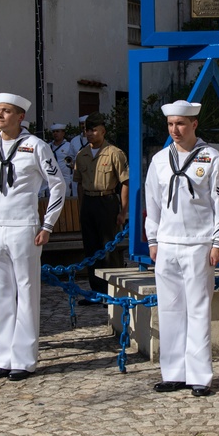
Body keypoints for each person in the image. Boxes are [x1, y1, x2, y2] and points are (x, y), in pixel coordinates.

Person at [145, 100, 219, 397]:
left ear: (194, 124)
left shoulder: (211, 158)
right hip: (168, 244)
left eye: (180, 124)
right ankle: (173, 372)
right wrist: (153, 240)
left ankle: (199, 375)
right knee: (169, 310)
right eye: (170, 125)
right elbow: (152, 204)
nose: (175, 130)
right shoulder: (159, 160)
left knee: (197, 309)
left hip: (198, 243)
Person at [0, 93, 66, 381]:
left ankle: (24, 360)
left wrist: (48, 225)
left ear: (20, 117)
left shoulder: (35, 147)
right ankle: (3, 357)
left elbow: (57, 185)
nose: (0, 115)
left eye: (6, 111)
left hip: (23, 226)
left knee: (26, 293)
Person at [73, 112, 129, 303]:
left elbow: (125, 183)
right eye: (87, 130)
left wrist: (123, 212)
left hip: (107, 202)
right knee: (91, 248)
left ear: (103, 131)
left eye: (93, 130)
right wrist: (82, 207)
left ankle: (111, 293)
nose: (89, 134)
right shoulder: (82, 155)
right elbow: (79, 184)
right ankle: (96, 292)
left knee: (109, 249)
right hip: (89, 202)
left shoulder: (114, 153)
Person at [48, 123, 77, 195]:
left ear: (63, 133)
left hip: (65, 177)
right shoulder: (48, 146)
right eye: (54, 132)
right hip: (51, 177)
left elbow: (73, 163)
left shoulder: (69, 146)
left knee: (65, 199)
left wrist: (71, 179)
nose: (55, 133)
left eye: (58, 131)